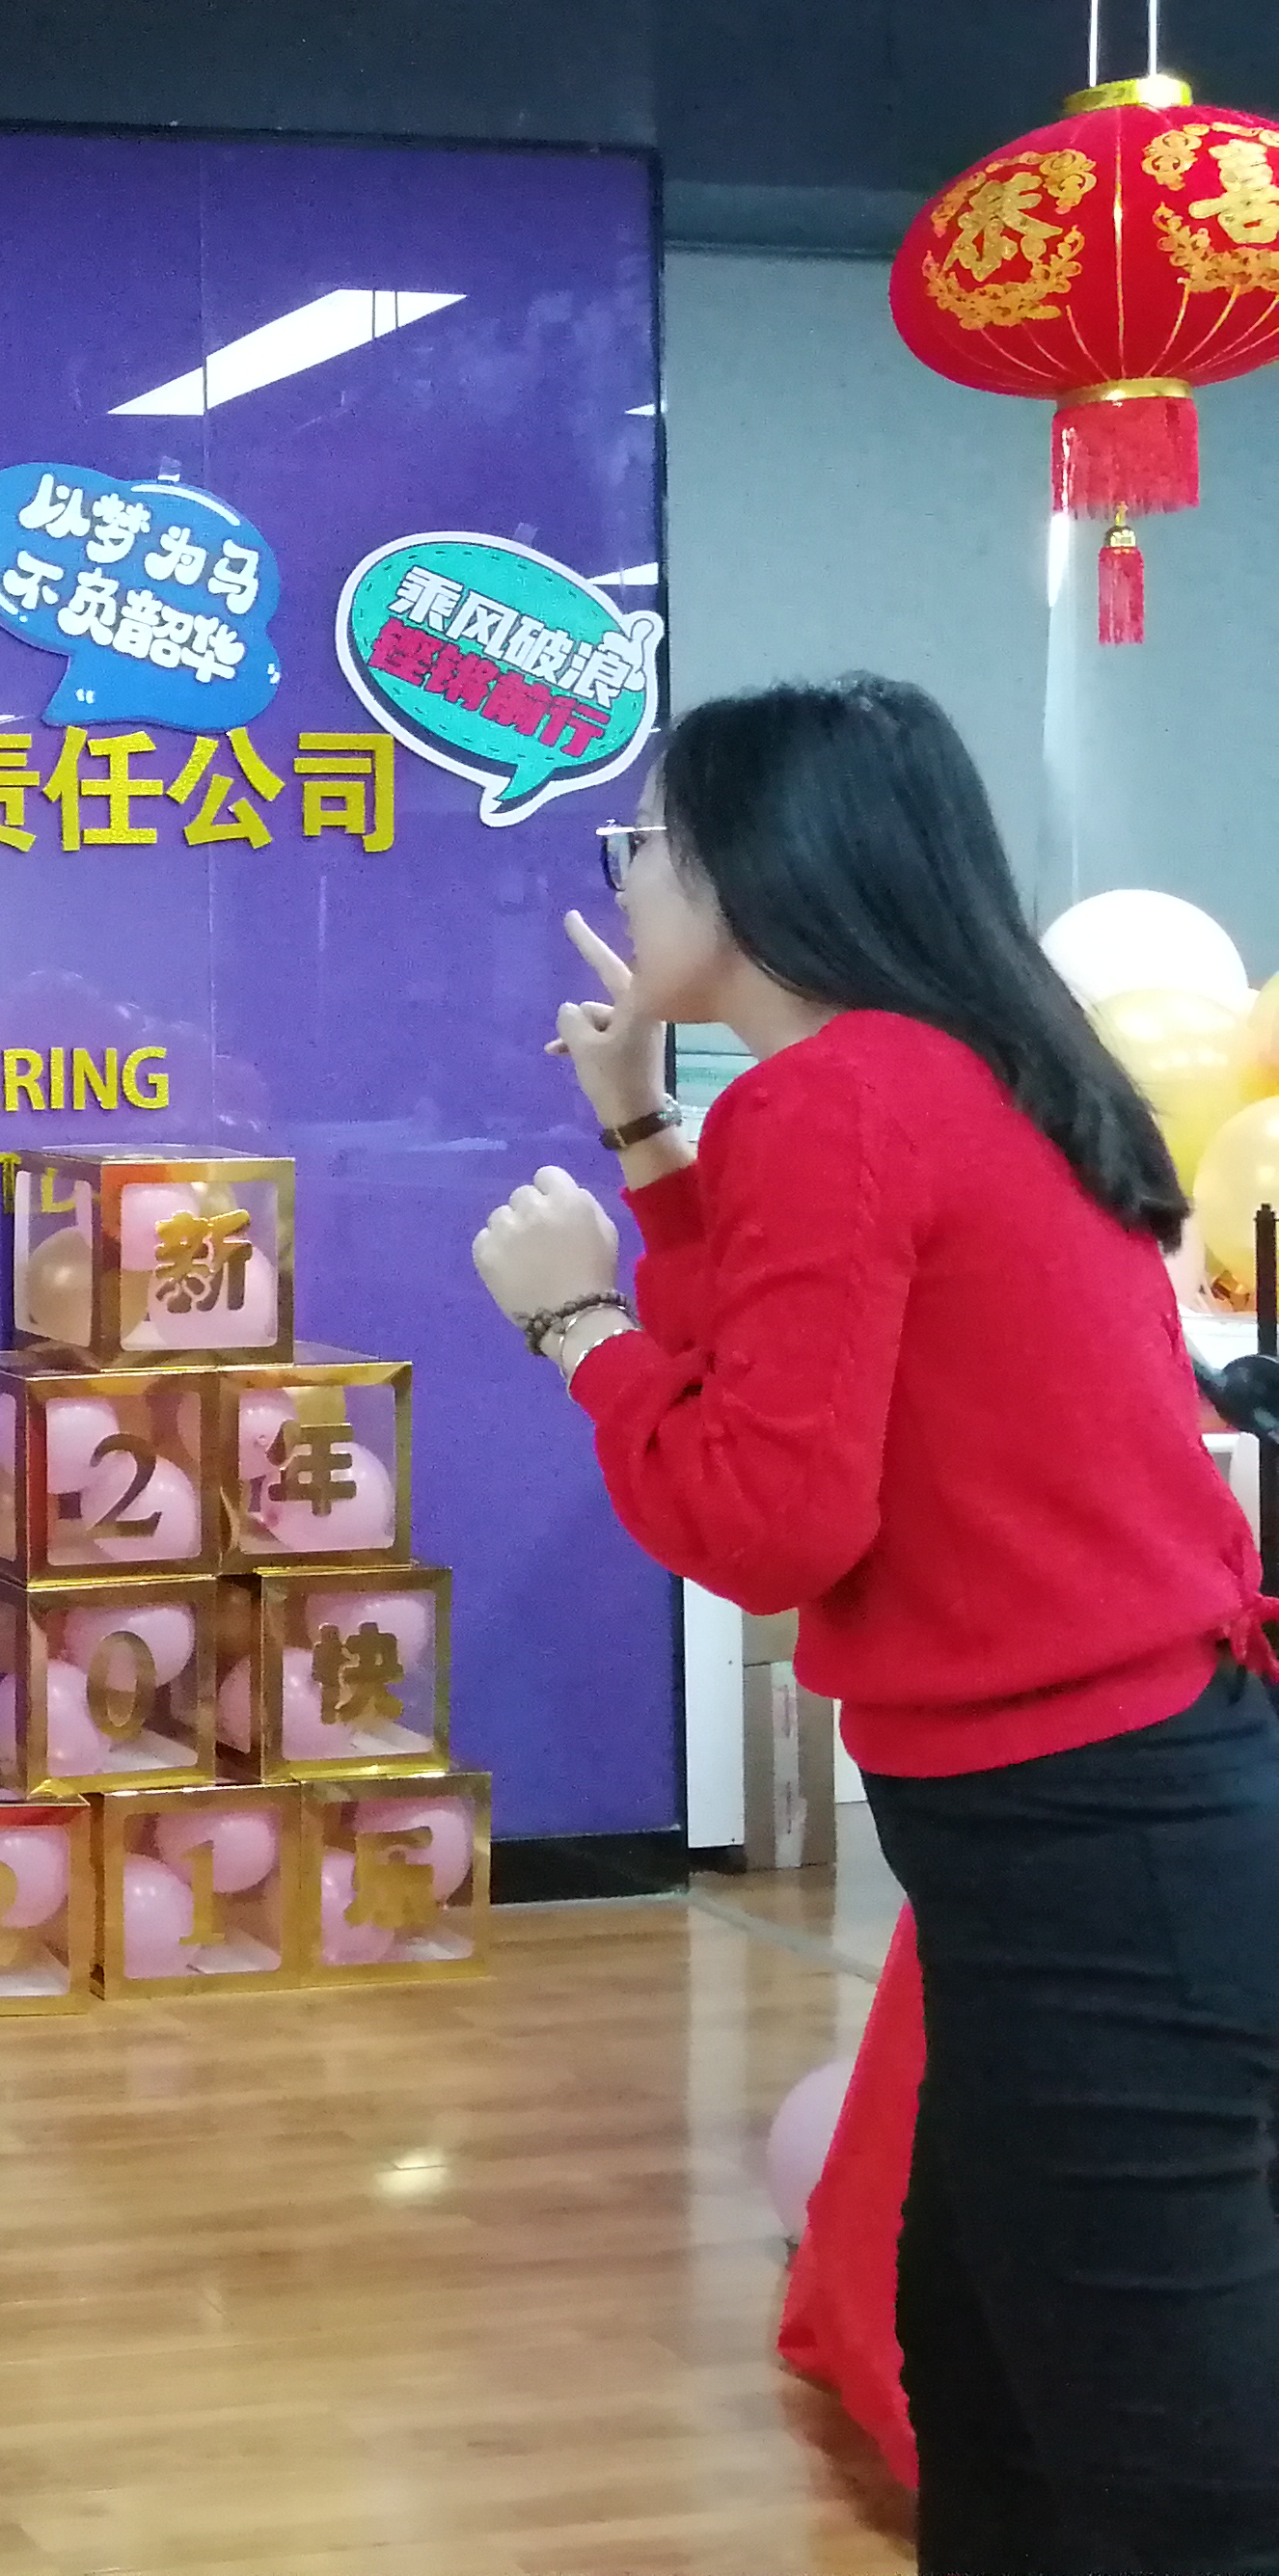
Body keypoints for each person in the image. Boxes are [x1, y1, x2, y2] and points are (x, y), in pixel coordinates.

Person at [468, 675, 1279, 2573]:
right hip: (1099, 1824)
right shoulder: (943, 1070)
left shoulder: (839, 1098)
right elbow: (795, 1368)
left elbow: (763, 1517)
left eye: (649, 840)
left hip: (1096, 1850)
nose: (624, 874)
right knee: (993, 2389)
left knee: (1159, 2479)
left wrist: (574, 1327)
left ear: (760, 868)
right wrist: (644, 1139)